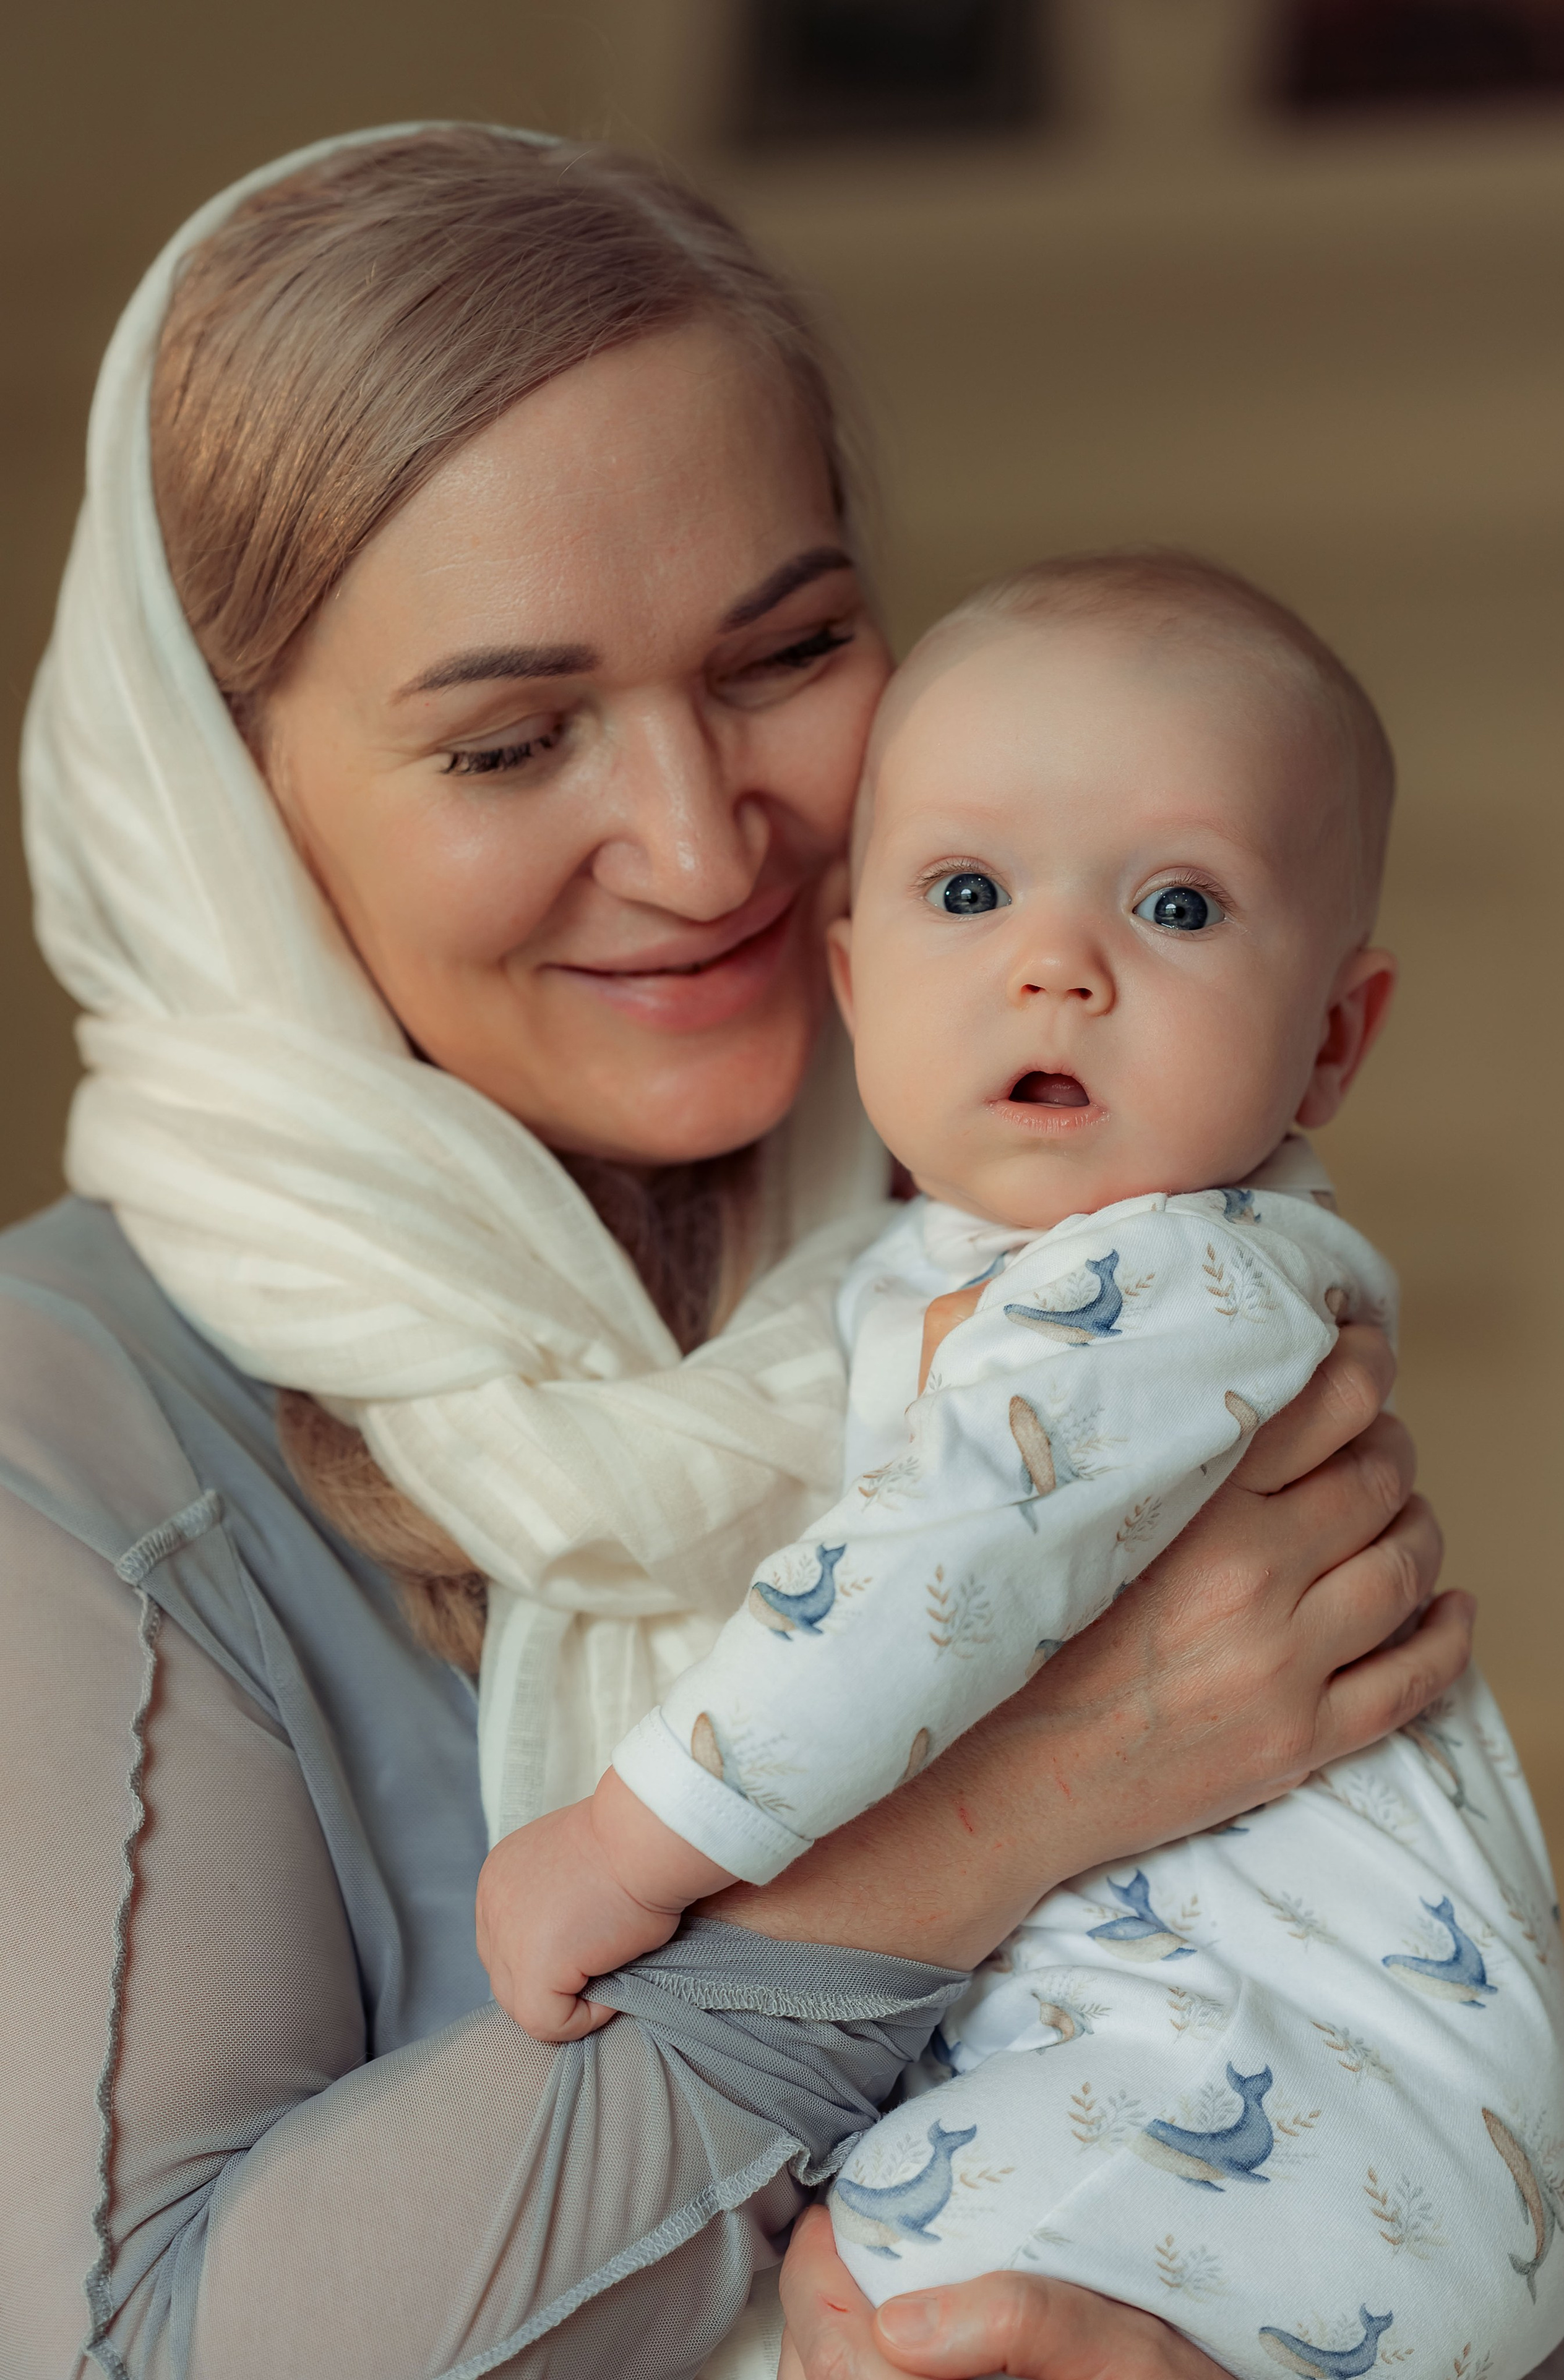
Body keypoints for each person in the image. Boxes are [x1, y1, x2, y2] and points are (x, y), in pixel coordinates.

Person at [1, 122, 1472, 2380]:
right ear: (216, 804)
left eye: (785, 652)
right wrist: (995, 1812)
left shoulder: (1080, 1240)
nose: (704, 851)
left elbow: (1404, 2014)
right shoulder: (66, 1435)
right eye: (512, 739)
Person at [479, 552, 1564, 2377]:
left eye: (1175, 903)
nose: (1056, 964)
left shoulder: (1173, 1285)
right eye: (970, 890)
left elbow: (924, 1591)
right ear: (853, 972)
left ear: (1332, 1039)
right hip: (1215, 2101)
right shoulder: (913, 1278)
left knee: (865, 2292)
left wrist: (625, 1840)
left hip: (1318, 2114)